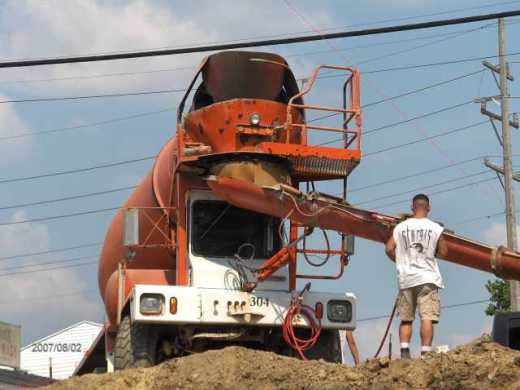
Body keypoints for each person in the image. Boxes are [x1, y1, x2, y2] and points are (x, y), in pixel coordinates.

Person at [384, 194, 448, 359]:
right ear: (429, 207)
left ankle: (404, 351)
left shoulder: (400, 227)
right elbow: (444, 252)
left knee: (406, 318)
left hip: (406, 279)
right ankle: (425, 353)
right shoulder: (435, 228)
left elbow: (389, 248)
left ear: (412, 208)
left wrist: (400, 262)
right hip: (427, 278)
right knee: (427, 316)